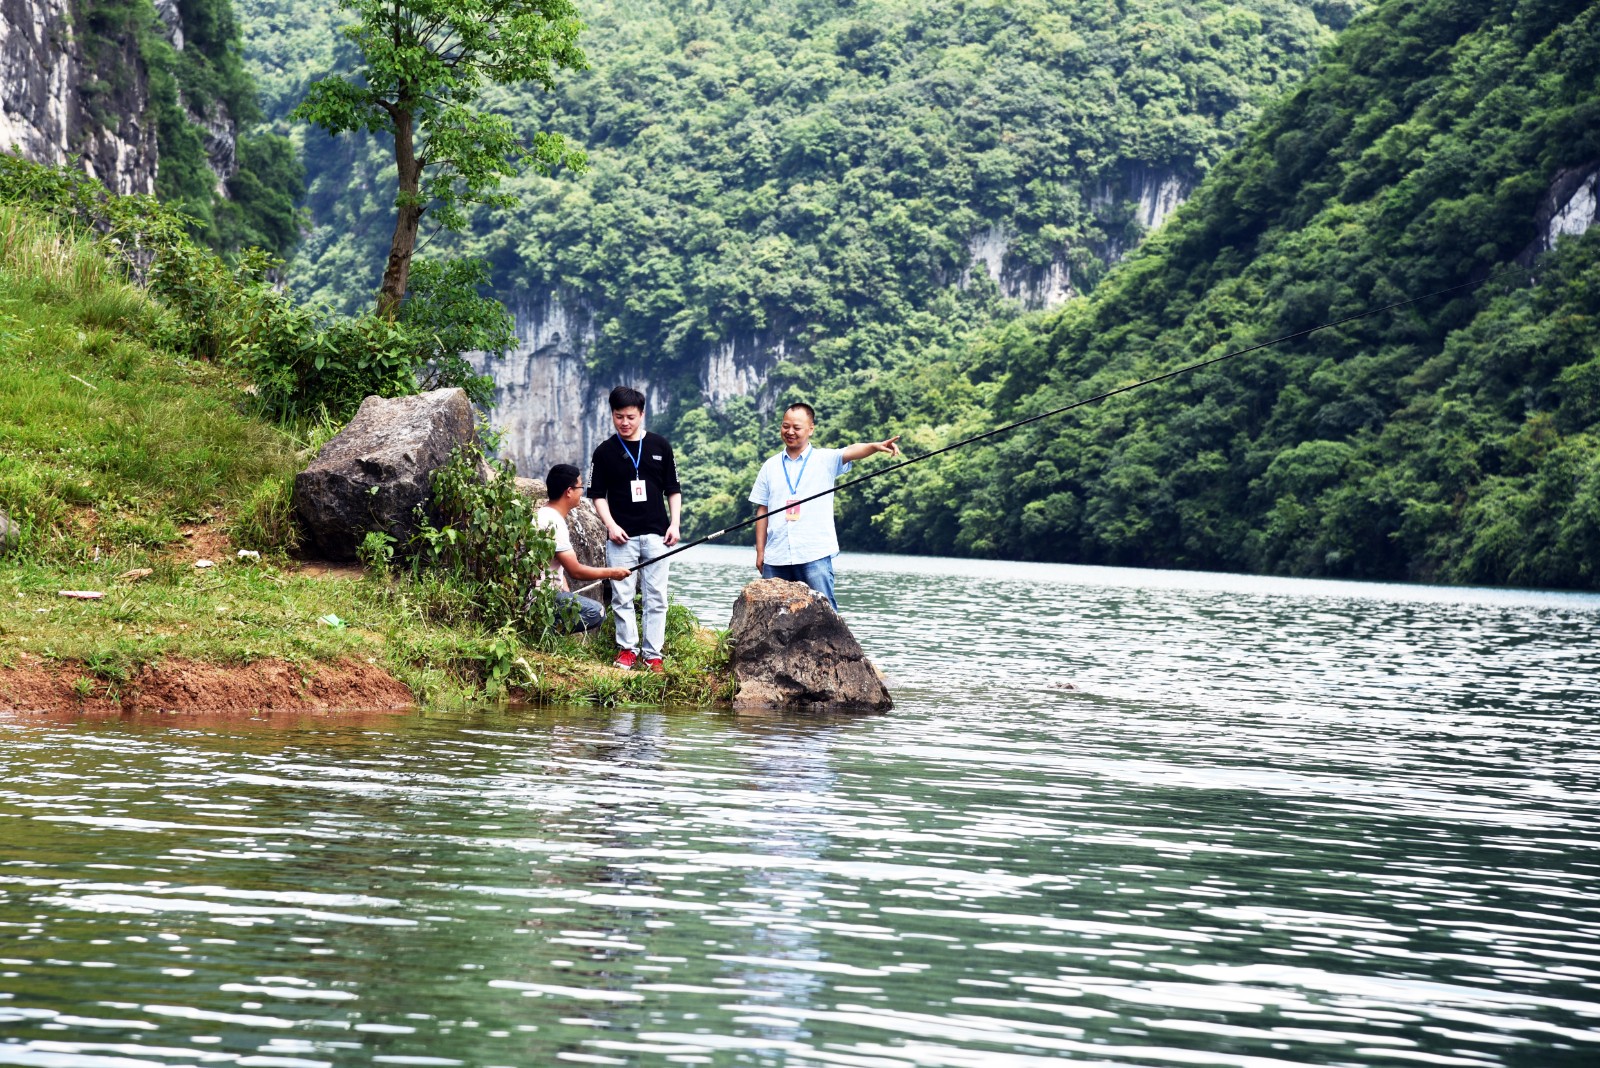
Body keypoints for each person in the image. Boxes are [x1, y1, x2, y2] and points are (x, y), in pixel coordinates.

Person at [749, 402, 900, 610]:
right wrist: (760, 552)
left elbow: (851, 451)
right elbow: (762, 510)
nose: (790, 432)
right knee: (767, 614)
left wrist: (874, 447)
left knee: (825, 614)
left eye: (797, 427)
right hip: (776, 556)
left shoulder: (825, 459)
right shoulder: (770, 466)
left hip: (814, 554)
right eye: (785, 426)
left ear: (811, 429)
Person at [588, 386, 681, 672]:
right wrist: (611, 525)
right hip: (621, 537)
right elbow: (597, 495)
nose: (624, 422)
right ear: (612, 415)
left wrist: (675, 524)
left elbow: (673, 489)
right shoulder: (604, 452)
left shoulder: (660, 446)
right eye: (619, 417)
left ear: (641, 414)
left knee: (657, 596)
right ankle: (627, 649)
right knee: (622, 594)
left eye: (630, 416)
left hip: (657, 534)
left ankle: (653, 655)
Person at [536, 464, 630, 632]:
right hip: (540, 599)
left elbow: (550, 562)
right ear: (569, 491)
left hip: (539, 594)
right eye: (580, 486)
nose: (582, 491)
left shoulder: (544, 514)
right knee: (596, 612)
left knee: (573, 600)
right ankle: (540, 632)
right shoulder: (553, 522)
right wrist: (612, 573)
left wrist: (562, 585)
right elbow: (576, 571)